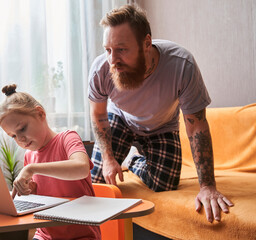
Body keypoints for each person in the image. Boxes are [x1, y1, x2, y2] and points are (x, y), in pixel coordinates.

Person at [88, 4, 233, 223]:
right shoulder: (101, 69)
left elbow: (197, 126)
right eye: (108, 50)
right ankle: (121, 156)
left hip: (162, 126)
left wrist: (207, 186)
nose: (113, 60)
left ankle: (132, 159)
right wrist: (108, 158)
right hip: (120, 119)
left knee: (165, 183)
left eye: (122, 49)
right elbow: (99, 115)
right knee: (96, 180)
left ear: (146, 43)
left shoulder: (181, 65)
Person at [0, 84, 101, 240]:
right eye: (13, 136)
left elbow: (81, 168)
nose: (20, 139)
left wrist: (32, 169)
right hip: (45, 236)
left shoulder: (67, 138)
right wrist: (29, 190)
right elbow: (41, 195)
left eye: (23, 128)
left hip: (81, 235)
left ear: (40, 113)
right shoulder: (29, 155)